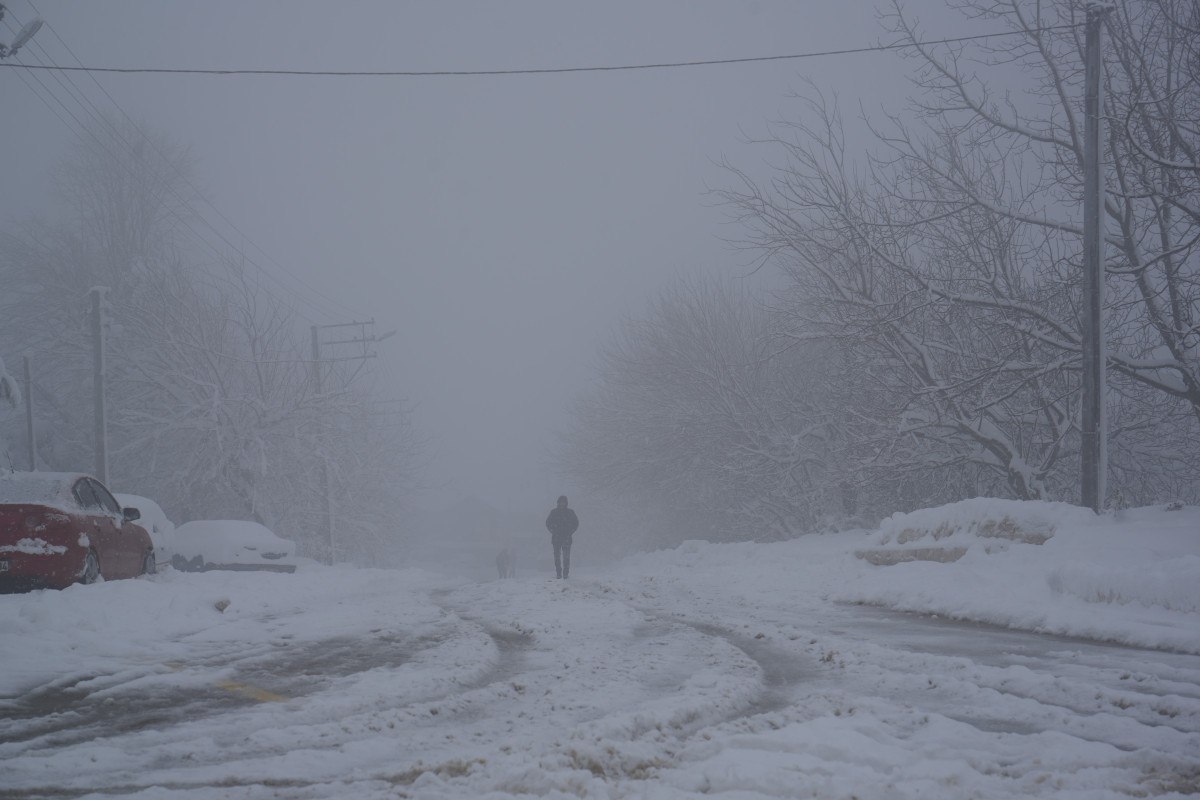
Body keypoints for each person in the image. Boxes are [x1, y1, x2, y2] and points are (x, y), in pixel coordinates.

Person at [545, 495, 579, 579]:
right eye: (560, 502)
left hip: (566, 538)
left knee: (566, 557)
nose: (562, 504)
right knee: (557, 557)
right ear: (558, 503)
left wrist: (570, 532)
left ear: (566, 503)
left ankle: (566, 573)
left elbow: (576, 523)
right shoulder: (554, 512)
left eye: (563, 502)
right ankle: (558, 573)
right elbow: (548, 523)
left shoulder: (570, 512)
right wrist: (553, 531)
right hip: (556, 538)